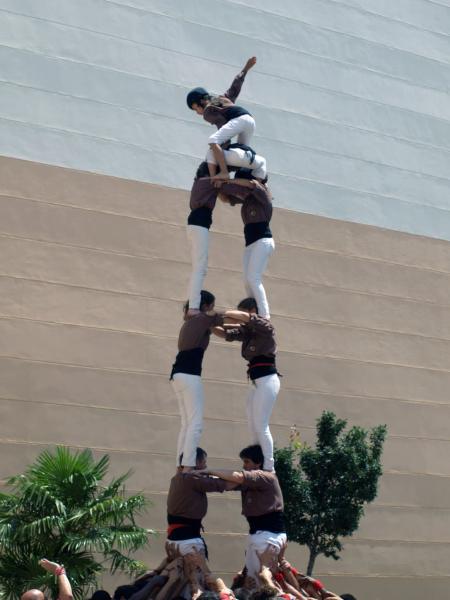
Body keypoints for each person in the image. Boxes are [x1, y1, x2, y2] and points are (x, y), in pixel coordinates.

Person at [194, 445, 287, 586]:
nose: (244, 466)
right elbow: (225, 482)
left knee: (262, 582)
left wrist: (208, 470)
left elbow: (237, 476)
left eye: (247, 462)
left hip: (268, 535)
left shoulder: (265, 477)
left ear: (258, 463)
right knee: (252, 582)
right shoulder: (249, 482)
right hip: (259, 534)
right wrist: (199, 476)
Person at [214, 298, 280, 471]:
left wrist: (219, 313)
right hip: (255, 382)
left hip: (267, 379)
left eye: (243, 313)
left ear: (252, 310)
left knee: (261, 423)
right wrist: (207, 323)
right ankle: (256, 459)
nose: (239, 321)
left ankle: (269, 466)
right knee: (252, 424)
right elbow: (226, 332)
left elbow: (244, 318)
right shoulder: (249, 331)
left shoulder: (265, 325)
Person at [187, 57, 265, 180]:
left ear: (201, 101)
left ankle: (224, 172)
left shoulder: (208, 111)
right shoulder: (219, 100)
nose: (197, 113)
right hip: (249, 120)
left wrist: (221, 149)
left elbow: (221, 125)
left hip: (239, 120)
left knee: (213, 140)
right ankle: (249, 177)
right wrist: (245, 69)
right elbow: (234, 88)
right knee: (242, 152)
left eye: (196, 108)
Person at [170, 291, 224, 469]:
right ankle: (187, 465)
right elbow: (222, 318)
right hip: (189, 374)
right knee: (196, 423)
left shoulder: (194, 323)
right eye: (212, 306)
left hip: (178, 374)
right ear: (206, 306)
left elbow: (222, 333)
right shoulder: (202, 319)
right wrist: (251, 319)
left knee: (187, 423)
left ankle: (181, 463)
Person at [216, 173, 274, 319]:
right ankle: (253, 310)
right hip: (251, 244)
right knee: (247, 280)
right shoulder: (248, 198)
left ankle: (264, 315)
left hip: (262, 241)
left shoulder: (263, 192)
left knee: (253, 277)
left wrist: (227, 180)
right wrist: (218, 186)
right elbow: (226, 198)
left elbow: (251, 184)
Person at [166, 447, 229, 558]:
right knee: (202, 575)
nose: (205, 466)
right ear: (195, 463)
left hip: (174, 539)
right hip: (188, 540)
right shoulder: (192, 479)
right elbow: (227, 484)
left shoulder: (176, 479)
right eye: (204, 463)